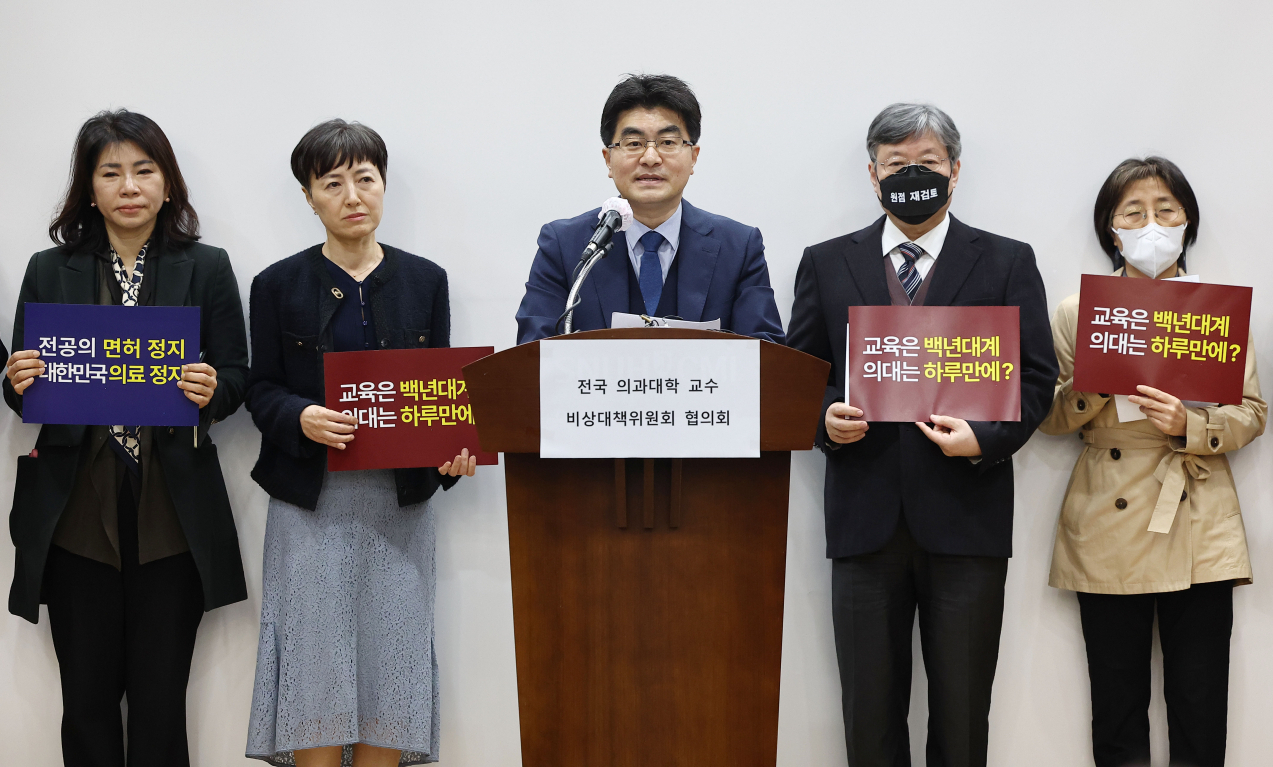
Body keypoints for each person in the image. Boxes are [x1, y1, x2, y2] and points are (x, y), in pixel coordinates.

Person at [785, 103, 1057, 766]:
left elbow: (1038, 378)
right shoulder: (825, 263)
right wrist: (823, 417)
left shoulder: (1006, 260)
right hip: (864, 522)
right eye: (897, 164)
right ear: (873, 174)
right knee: (869, 716)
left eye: (928, 163)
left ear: (955, 171)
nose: (913, 176)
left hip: (966, 517)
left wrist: (986, 438)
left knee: (963, 718)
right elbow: (798, 376)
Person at [2, 109, 249, 766]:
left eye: (144, 170)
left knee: (161, 700)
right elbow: (24, 384)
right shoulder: (50, 269)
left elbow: (237, 375)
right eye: (111, 172)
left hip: (172, 504)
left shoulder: (206, 266)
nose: (129, 185)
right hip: (76, 504)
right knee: (84, 702)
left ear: (168, 183)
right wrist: (18, 377)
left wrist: (211, 390)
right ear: (88, 188)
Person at [244, 119, 476, 767]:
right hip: (309, 504)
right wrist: (300, 417)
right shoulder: (276, 284)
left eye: (366, 178)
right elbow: (259, 389)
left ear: (383, 186)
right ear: (309, 196)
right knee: (315, 667)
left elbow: (439, 400)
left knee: (391, 664)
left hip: (398, 504)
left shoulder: (426, 280)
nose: (353, 194)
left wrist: (453, 457)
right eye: (333, 182)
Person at [1039, 157, 1264, 767]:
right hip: (1108, 517)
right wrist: (1095, 385)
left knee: (1200, 704)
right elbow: (1048, 417)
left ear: (1187, 219)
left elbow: (1252, 413)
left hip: (1199, 515)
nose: (1151, 223)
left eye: (1165, 209)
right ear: (1110, 228)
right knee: (1116, 705)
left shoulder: (1216, 310)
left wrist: (1190, 424)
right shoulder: (1075, 311)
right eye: (1132, 212)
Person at [515, 73, 784, 343]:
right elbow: (531, 354)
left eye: (668, 142)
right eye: (634, 144)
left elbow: (768, 357)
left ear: (693, 157)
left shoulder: (738, 247)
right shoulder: (564, 246)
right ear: (608, 160)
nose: (651, 158)